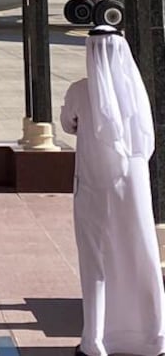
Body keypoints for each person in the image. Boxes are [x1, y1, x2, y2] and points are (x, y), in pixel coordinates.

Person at [61, 26, 165, 356]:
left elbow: (67, 124)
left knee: (97, 264)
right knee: (140, 254)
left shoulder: (80, 90)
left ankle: (96, 340)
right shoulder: (135, 93)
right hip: (132, 189)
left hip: (94, 187)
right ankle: (152, 337)